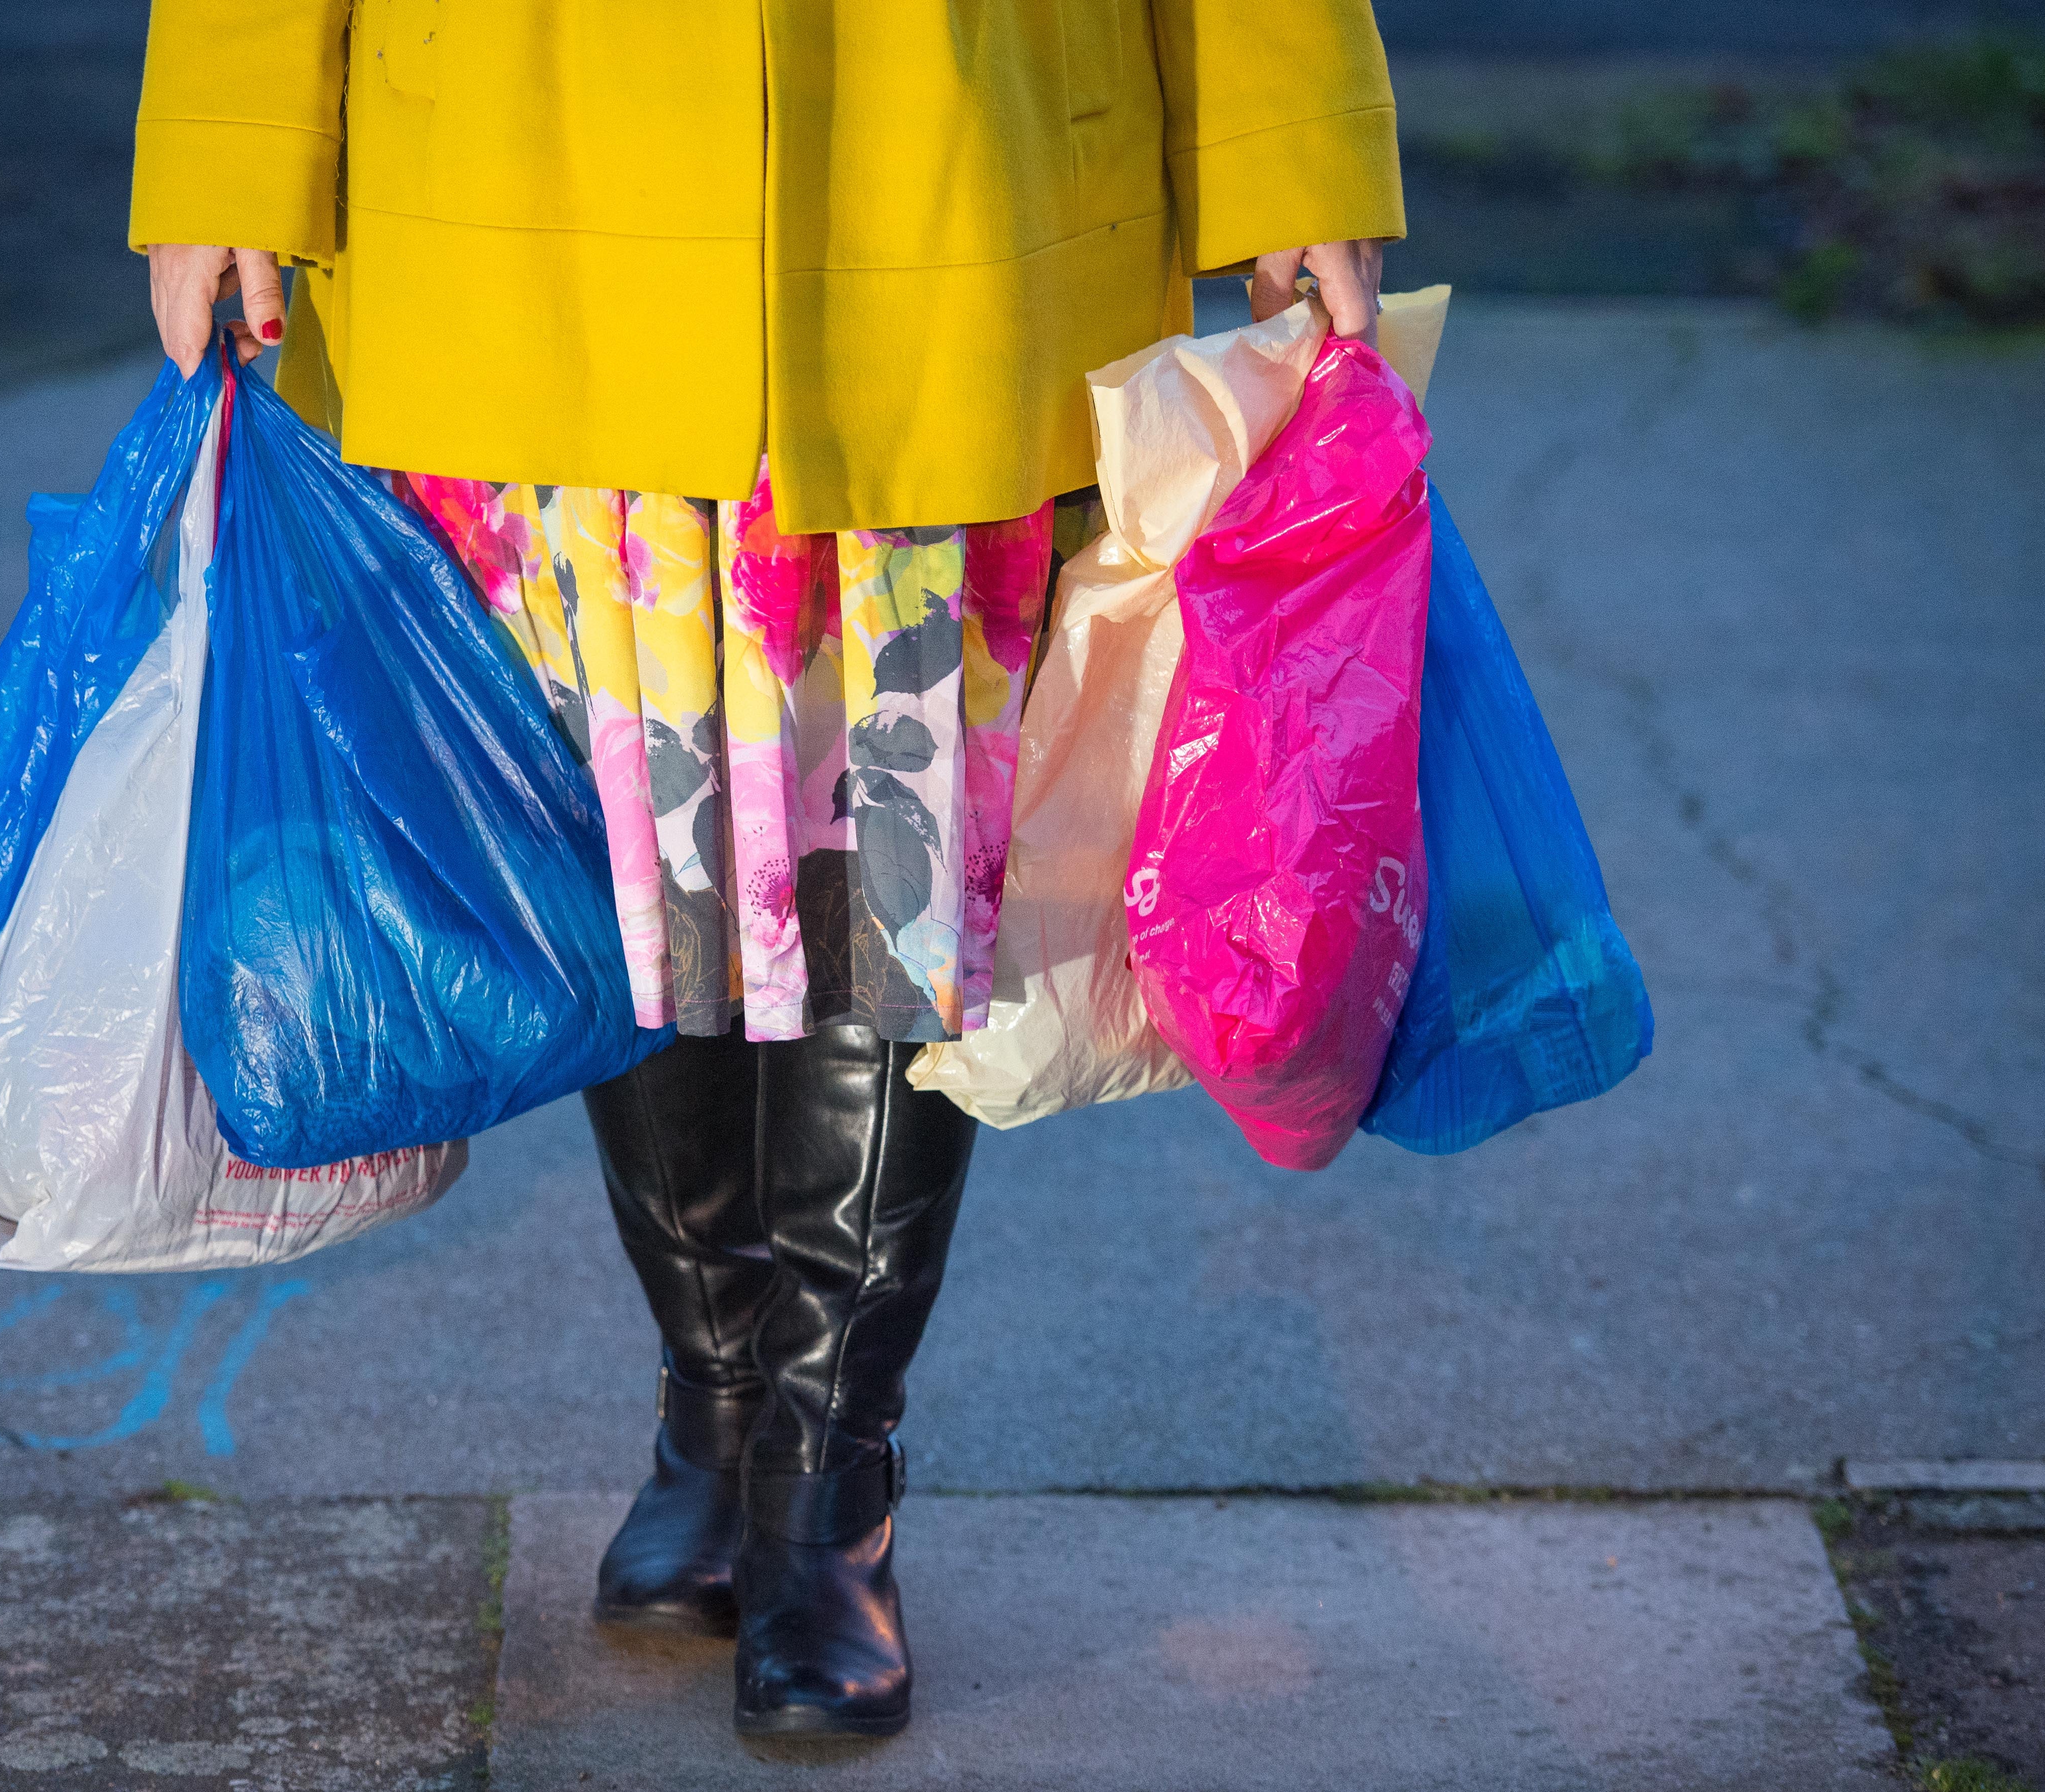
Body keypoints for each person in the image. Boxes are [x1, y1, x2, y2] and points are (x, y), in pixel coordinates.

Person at [129, 0, 1402, 1740]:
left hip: (946, 160)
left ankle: (825, 1485)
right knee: (628, 857)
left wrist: (1287, 145)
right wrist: (228, 136)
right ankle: (718, 1406)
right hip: (527, 166)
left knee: (903, 852)